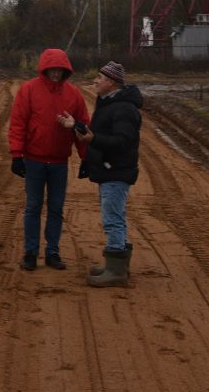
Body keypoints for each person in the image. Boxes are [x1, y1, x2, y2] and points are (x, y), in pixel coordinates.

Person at [8, 48, 91, 271]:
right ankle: (30, 252)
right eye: (52, 69)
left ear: (66, 71)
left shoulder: (73, 94)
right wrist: (16, 155)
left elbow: (83, 127)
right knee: (33, 207)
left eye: (60, 70)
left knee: (56, 208)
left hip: (59, 163)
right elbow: (18, 124)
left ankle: (52, 252)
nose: (56, 73)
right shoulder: (29, 90)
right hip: (34, 161)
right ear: (44, 69)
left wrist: (86, 157)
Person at [68, 61, 143, 287]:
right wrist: (76, 126)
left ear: (111, 82)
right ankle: (118, 265)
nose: (95, 81)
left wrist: (94, 139)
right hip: (110, 169)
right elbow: (104, 133)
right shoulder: (110, 104)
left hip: (116, 170)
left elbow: (123, 141)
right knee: (115, 216)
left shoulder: (124, 109)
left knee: (112, 219)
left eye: (99, 78)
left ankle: (116, 270)